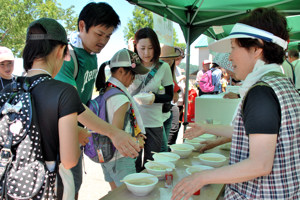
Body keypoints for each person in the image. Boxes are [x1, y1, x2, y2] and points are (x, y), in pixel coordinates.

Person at [172, 7, 300, 200]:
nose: (230, 58)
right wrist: (207, 128)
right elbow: (255, 131)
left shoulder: (261, 92)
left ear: (256, 49)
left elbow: (260, 165)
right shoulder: (281, 83)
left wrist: (202, 177)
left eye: (233, 48)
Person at [54, 2, 140, 198]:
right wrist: (112, 133)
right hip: (61, 133)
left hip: (77, 131)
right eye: (99, 34)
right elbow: (71, 104)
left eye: (108, 36)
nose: (104, 41)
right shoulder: (67, 56)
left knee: (74, 186)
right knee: (63, 189)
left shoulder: (92, 56)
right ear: (82, 26)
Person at [21, 17, 87, 199]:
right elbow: (69, 159)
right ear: (60, 51)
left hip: (14, 186)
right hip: (49, 188)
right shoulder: (64, 93)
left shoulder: (11, 89)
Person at [93, 48, 148, 190]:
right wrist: (137, 141)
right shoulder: (120, 98)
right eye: (133, 74)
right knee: (128, 194)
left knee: (115, 194)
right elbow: (116, 134)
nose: (134, 78)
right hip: (120, 158)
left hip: (106, 156)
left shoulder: (106, 90)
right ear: (122, 71)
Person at [128, 27, 173, 171]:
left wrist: (154, 98)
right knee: (133, 165)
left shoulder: (163, 67)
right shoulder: (130, 65)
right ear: (136, 46)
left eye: (150, 48)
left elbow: (169, 95)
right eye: (142, 48)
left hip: (154, 122)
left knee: (152, 164)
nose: (146, 53)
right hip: (134, 123)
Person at [159, 44, 182, 150]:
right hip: (157, 112)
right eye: (164, 59)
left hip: (168, 108)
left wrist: (175, 91)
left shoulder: (171, 70)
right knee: (162, 146)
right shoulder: (156, 70)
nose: (168, 62)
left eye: (171, 59)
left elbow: (173, 85)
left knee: (167, 142)